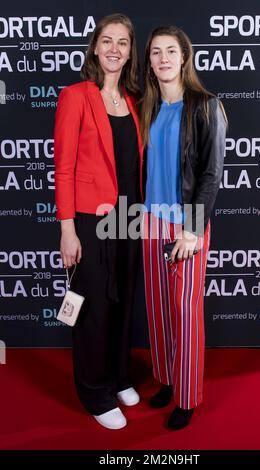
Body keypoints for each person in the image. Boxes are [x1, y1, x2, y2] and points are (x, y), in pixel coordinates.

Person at [54, 13, 143, 430]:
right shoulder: (75, 95)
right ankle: (95, 391)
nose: (114, 49)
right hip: (90, 218)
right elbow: (65, 167)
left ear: (129, 51)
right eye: (107, 41)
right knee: (93, 306)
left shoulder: (132, 99)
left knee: (123, 297)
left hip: (129, 214)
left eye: (122, 42)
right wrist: (67, 229)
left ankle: (119, 376)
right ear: (95, 47)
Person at [140, 25, 227, 430]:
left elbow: (210, 174)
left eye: (170, 51)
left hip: (186, 226)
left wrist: (192, 230)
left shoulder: (207, 105)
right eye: (155, 52)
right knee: (158, 310)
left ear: (184, 57)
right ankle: (167, 379)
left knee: (184, 310)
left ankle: (187, 396)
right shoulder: (149, 107)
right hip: (149, 222)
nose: (163, 59)